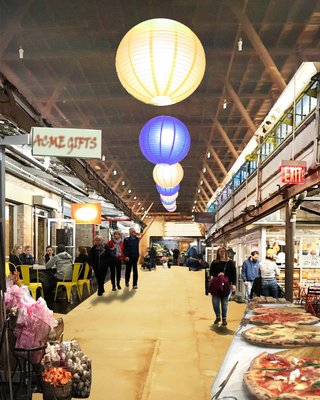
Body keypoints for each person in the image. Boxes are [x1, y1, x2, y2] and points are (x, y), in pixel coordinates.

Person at [209, 246, 236, 326]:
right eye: (220, 251)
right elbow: (211, 272)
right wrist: (218, 274)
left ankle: (224, 318)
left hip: (227, 285)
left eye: (224, 251)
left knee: (224, 302)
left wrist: (233, 284)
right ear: (218, 252)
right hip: (216, 285)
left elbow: (234, 274)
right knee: (215, 302)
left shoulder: (230, 262)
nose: (222, 253)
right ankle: (218, 317)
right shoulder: (214, 262)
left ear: (226, 252)